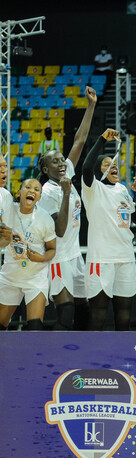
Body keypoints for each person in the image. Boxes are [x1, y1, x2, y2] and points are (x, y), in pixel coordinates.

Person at [37, 86, 97, 330]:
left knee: (84, 308)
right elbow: (60, 230)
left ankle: (82, 354)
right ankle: (57, 360)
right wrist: (65, 193)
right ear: (45, 170)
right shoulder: (48, 192)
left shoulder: (67, 174)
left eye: (62, 159)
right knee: (66, 314)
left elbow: (80, 140)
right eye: (55, 161)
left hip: (75, 256)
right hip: (58, 258)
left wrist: (91, 105)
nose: (62, 163)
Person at [81, 129, 136, 331]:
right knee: (98, 313)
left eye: (114, 163)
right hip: (102, 259)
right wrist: (101, 139)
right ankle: (94, 356)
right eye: (106, 164)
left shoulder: (123, 190)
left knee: (124, 314)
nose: (113, 166)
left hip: (125, 257)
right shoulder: (93, 189)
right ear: (99, 171)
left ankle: (122, 356)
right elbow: (86, 167)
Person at [0, 179, 57, 330]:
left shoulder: (45, 219)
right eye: (28, 187)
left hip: (35, 278)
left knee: (35, 328)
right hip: (10, 277)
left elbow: (52, 248)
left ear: (39, 197)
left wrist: (43, 258)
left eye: (37, 189)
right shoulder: (9, 210)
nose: (32, 190)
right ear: (19, 192)